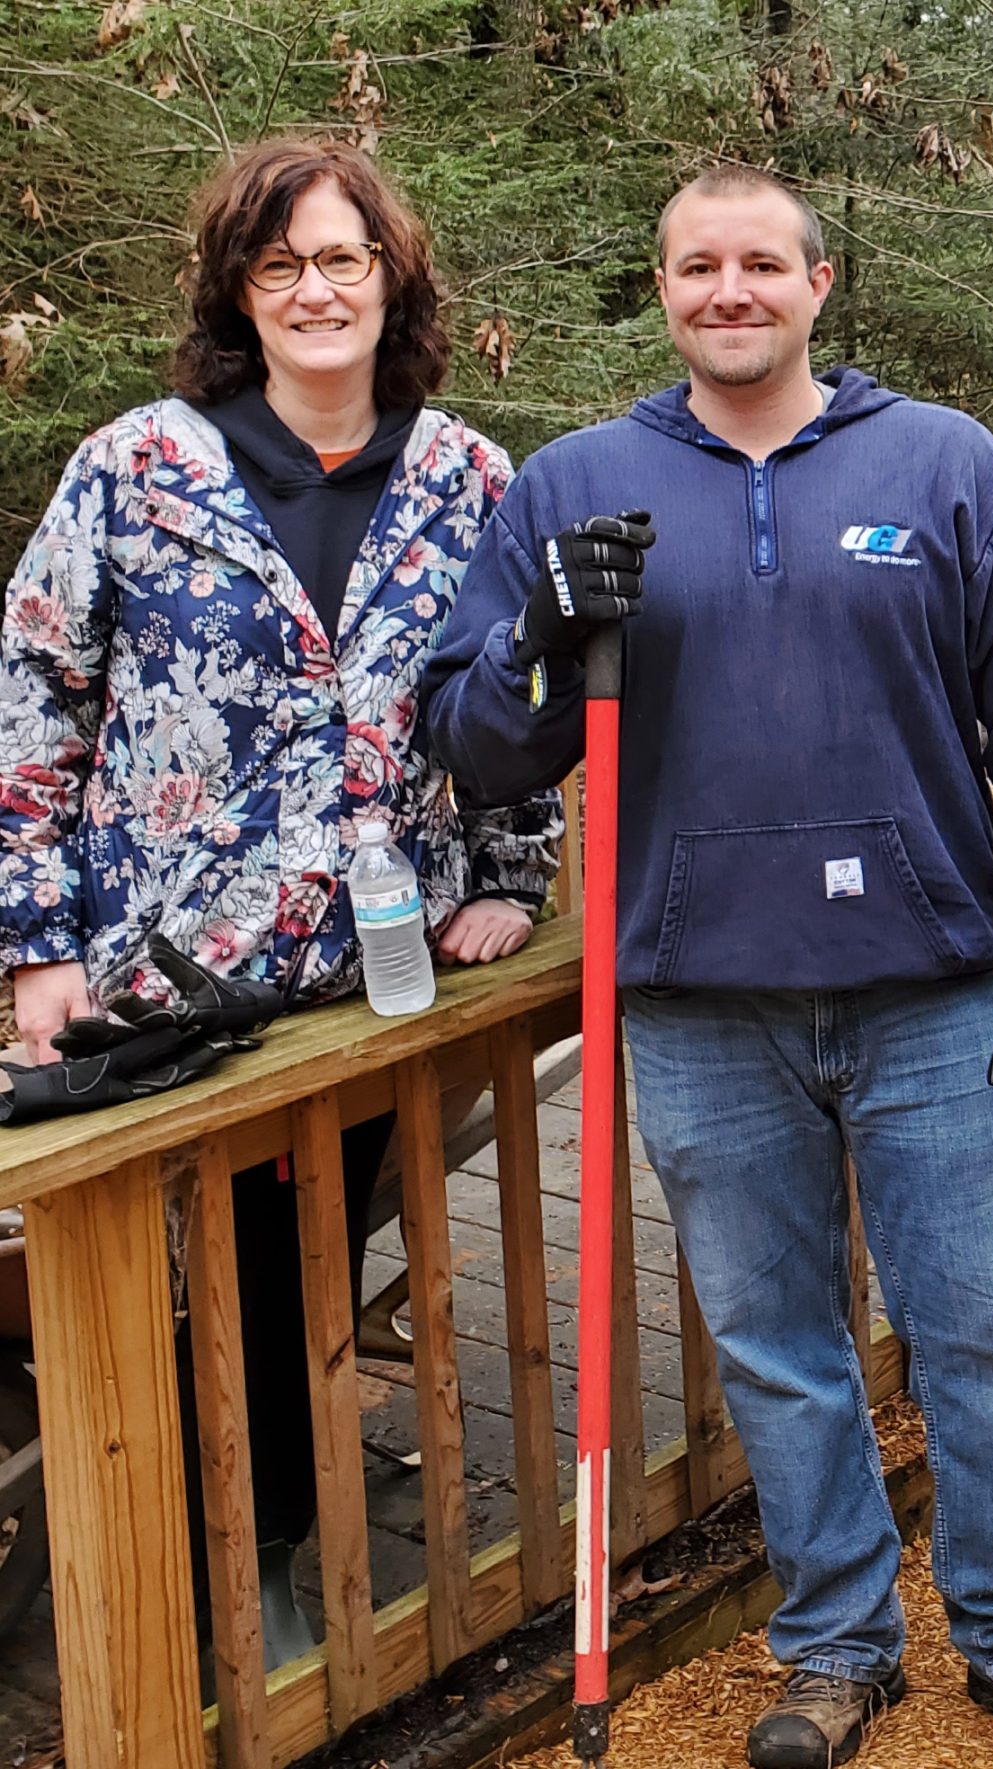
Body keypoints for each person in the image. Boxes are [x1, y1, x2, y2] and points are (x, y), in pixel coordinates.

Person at [420, 166, 993, 1769]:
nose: (727, 290)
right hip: (696, 1002)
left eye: (760, 263)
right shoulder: (578, 486)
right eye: (695, 266)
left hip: (937, 985)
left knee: (991, 1328)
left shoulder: (943, 465)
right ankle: (834, 1649)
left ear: (821, 284)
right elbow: (478, 747)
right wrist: (539, 629)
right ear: (663, 292)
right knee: (779, 1345)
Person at [0, 138, 555, 1665]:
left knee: (310, 1262)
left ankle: (280, 1554)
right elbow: (36, 699)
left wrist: (506, 874)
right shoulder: (135, 466)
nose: (316, 290)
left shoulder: (470, 480)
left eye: (344, 260)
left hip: (374, 973)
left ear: (394, 280)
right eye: (281, 265)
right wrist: (37, 946)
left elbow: (509, 694)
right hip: (173, 973)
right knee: (200, 1272)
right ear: (239, 294)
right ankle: (189, 1579)